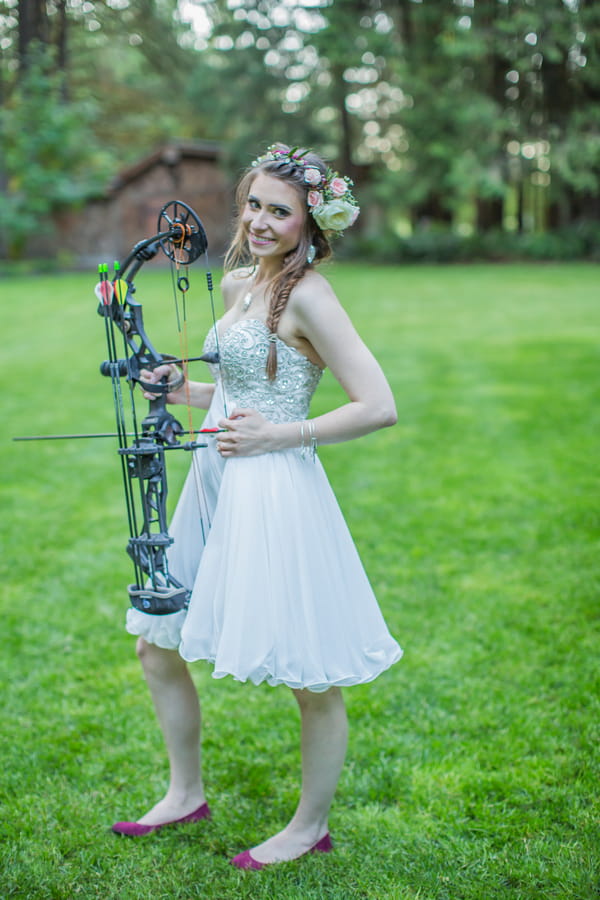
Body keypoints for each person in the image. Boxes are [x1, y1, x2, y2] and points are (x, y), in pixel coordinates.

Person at [111, 143, 403, 869]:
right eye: (255, 205)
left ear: (310, 223)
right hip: (215, 475)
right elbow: (242, 387)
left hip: (274, 489)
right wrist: (179, 391)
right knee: (156, 640)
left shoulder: (310, 295)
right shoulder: (239, 281)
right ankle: (185, 793)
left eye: (281, 211)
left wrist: (282, 435)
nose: (263, 220)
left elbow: (379, 405)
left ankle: (310, 826)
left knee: (308, 673)